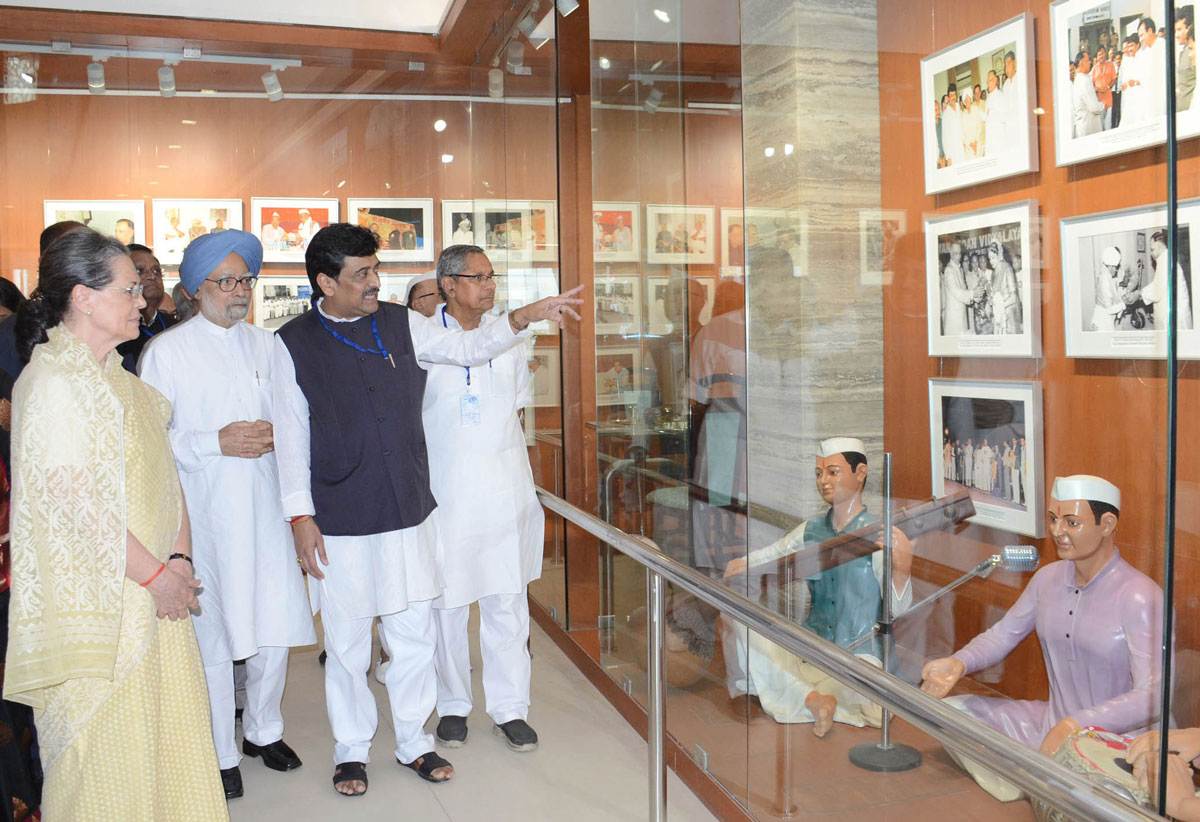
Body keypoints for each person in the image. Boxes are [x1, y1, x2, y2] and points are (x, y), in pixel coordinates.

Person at [271, 223, 581, 796]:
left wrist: (520, 317)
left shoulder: (400, 322)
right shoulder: (291, 343)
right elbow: (290, 439)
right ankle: (351, 750)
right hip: (339, 512)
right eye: (362, 274)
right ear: (325, 282)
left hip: (409, 506)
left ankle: (415, 741)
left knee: (414, 631)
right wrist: (300, 517)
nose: (375, 283)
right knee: (345, 641)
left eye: (375, 270)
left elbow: (466, 348)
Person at [6, 229, 228, 820]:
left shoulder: (126, 384)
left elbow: (167, 479)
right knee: (101, 770)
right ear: (83, 297)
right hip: (104, 616)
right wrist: (157, 576)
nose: (142, 300)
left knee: (166, 750)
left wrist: (178, 564)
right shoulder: (51, 382)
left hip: (159, 598)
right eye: (130, 289)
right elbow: (74, 504)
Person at [138, 231, 316, 800]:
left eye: (246, 280)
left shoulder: (269, 346)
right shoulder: (165, 353)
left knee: (270, 626)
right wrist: (215, 440)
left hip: (266, 510)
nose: (239, 292)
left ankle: (265, 730)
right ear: (194, 289)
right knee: (212, 634)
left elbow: (294, 425)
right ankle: (219, 751)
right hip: (204, 514)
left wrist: (295, 498)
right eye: (227, 281)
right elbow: (150, 443)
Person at [921, 475, 1165, 801]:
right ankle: (1038, 781)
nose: (1057, 531)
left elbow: (1153, 696)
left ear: (1107, 524)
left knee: (1106, 796)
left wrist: (1075, 725)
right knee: (949, 715)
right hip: (1049, 726)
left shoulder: (1140, 596)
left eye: (1071, 522)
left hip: (1115, 745)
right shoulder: (1047, 579)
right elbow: (1003, 635)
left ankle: (1043, 780)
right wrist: (958, 662)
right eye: (1053, 519)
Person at [424, 245, 544, 753]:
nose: (489, 286)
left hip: (503, 492)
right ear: (449, 285)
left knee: (506, 602)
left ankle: (510, 707)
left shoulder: (511, 340)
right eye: (478, 277)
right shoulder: (422, 337)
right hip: (445, 495)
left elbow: (515, 412)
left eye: (492, 277)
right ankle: (453, 705)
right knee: (448, 606)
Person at [721, 438, 913, 734]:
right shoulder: (811, 530)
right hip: (809, 649)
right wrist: (743, 563)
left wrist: (902, 570)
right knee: (742, 620)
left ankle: (801, 695)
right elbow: (774, 553)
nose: (824, 481)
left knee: (866, 691)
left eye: (833, 472)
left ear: (860, 473)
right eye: (819, 473)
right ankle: (814, 700)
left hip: (859, 659)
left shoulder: (878, 535)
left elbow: (897, 610)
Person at [115, 244, 177, 373]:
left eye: (156, 271)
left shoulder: (176, 327)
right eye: (139, 271)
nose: (151, 276)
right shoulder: (115, 331)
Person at [1134, 229, 1194, 330]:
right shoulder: (1165, 259)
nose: (1151, 254)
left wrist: (1139, 294)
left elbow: (1157, 292)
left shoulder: (1164, 262)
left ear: (1159, 246)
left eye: (1152, 249)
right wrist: (1142, 291)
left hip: (1175, 315)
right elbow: (1157, 284)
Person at [940, 242, 974, 334]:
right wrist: (972, 294)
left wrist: (973, 297)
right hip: (954, 320)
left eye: (959, 253)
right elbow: (956, 291)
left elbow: (963, 289)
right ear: (950, 253)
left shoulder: (960, 269)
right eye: (955, 253)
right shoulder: (949, 270)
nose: (958, 256)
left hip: (962, 316)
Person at [1073, 50, 1106, 137]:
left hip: (1083, 127)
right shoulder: (1084, 81)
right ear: (1082, 63)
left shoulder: (1079, 79)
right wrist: (1103, 105)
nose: (1090, 62)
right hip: (1089, 129)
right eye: (1088, 60)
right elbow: (1094, 108)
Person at [939, 84, 965, 166]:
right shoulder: (946, 114)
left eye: (954, 95)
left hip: (963, 148)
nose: (953, 97)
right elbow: (944, 137)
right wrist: (948, 157)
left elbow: (963, 127)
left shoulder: (960, 108)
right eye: (951, 95)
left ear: (956, 95)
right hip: (953, 153)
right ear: (948, 97)